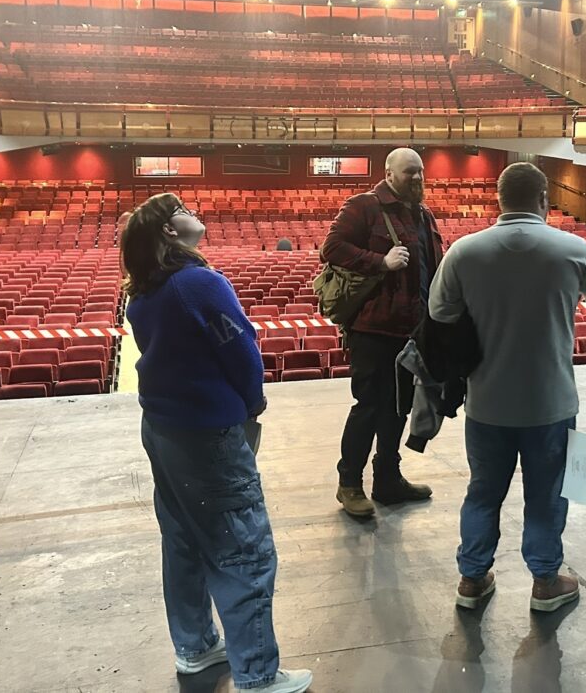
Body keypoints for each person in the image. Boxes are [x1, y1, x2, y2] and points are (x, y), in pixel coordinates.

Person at [122, 193, 312, 693]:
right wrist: (253, 401)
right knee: (243, 550)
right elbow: (241, 350)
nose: (193, 211)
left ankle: (196, 647)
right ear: (168, 231)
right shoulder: (199, 283)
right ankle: (257, 673)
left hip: (164, 429)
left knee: (184, 539)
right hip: (207, 434)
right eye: (182, 207)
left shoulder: (144, 289)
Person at [429, 162, 586, 612]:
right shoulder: (573, 248)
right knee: (547, 494)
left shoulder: (465, 252)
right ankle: (546, 582)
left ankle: (472, 579)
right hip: (551, 401)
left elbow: (439, 312)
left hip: (487, 401)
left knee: (483, 491)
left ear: (499, 198)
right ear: (545, 198)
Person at [321, 147, 443, 517]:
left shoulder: (422, 214)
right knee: (369, 407)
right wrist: (381, 261)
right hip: (373, 329)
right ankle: (350, 484)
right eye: (409, 173)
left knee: (398, 408)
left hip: (412, 330)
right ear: (389, 173)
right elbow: (332, 248)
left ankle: (388, 481)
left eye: (420, 172)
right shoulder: (363, 206)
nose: (417, 179)